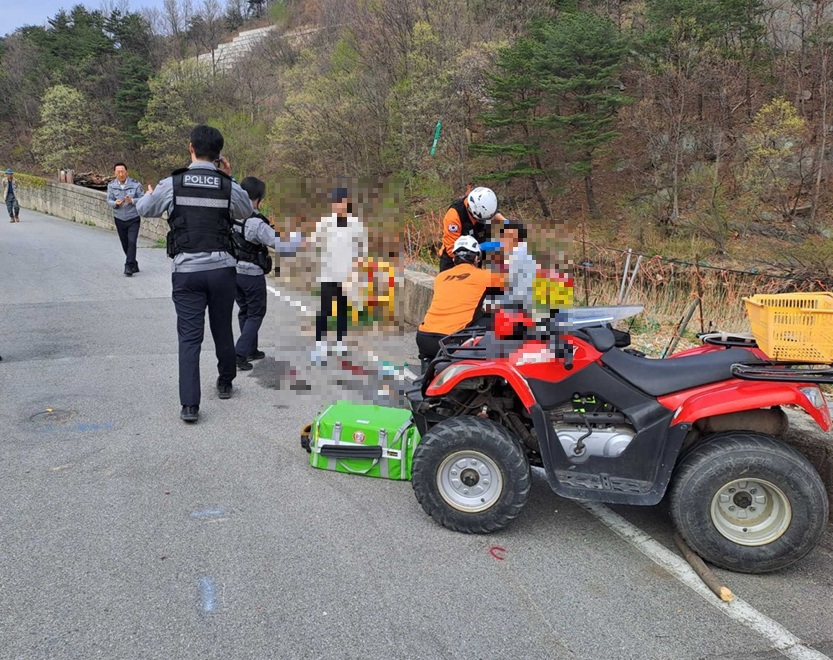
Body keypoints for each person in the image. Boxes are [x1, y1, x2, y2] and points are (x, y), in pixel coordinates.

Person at [135, 125, 253, 423]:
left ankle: (190, 405)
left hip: (186, 272)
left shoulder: (173, 182)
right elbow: (245, 212)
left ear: (190, 148)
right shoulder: (227, 185)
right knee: (222, 328)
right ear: (219, 155)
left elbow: (144, 209)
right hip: (223, 270)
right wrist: (228, 176)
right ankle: (225, 381)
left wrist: (148, 195)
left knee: (189, 338)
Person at [233, 176, 304, 371]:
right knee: (256, 313)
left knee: (245, 310)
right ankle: (239, 354)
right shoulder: (256, 223)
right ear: (257, 199)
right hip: (251, 274)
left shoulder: (231, 215)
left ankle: (250, 349)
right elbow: (278, 242)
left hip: (233, 272)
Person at [417, 236, 505, 368]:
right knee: (497, 319)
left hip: (424, 338)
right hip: (452, 341)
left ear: (454, 258)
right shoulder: (486, 276)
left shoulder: (440, 278)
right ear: (477, 258)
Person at [310, 187, 368, 364]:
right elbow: (314, 242)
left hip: (347, 275)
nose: (338, 206)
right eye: (335, 202)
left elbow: (362, 250)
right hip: (328, 274)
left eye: (341, 202)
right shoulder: (325, 223)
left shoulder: (356, 224)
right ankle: (320, 344)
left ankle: (340, 342)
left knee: (342, 309)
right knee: (325, 310)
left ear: (348, 202)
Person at [438, 186, 506, 272]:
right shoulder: (455, 215)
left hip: (475, 258)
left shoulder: (484, 205)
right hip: (454, 260)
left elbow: (494, 215)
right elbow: (451, 249)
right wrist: (479, 249)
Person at [106, 163, 144, 276]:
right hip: (119, 218)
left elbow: (143, 199)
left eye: (122, 171)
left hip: (133, 218)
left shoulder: (136, 184)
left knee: (132, 242)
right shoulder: (111, 185)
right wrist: (115, 203)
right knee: (125, 243)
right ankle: (134, 263)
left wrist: (132, 201)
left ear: (126, 172)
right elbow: (109, 200)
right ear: (114, 173)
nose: (121, 174)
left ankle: (128, 266)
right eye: (118, 172)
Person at [499, 221, 537, 312]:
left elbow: (518, 293)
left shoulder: (519, 257)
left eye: (510, 237)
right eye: (504, 237)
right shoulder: (513, 256)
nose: (504, 241)